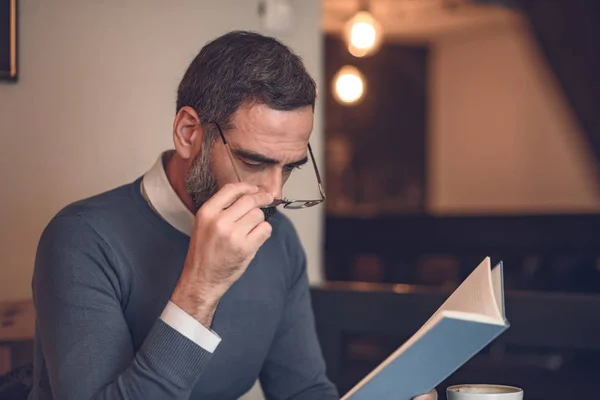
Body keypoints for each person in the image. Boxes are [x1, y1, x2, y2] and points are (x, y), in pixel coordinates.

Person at [28, 31, 437, 400]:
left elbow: (303, 390)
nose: (274, 194)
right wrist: (201, 288)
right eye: (253, 161)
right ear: (189, 133)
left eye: (290, 166)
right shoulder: (82, 239)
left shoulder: (278, 238)